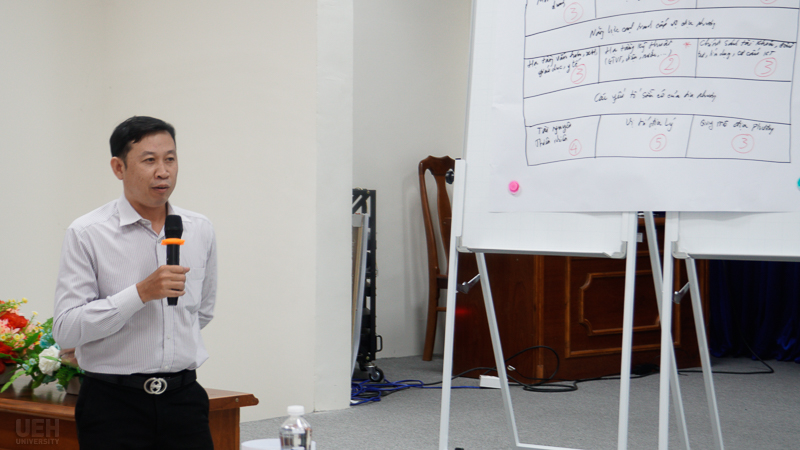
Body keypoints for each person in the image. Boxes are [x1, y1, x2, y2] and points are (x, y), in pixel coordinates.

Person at [53, 116, 217, 450]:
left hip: (184, 401)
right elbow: (66, 330)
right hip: (113, 405)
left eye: (170, 159)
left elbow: (202, 312)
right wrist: (140, 293)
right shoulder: (87, 233)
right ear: (119, 167)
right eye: (149, 160)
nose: (163, 171)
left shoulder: (199, 228)